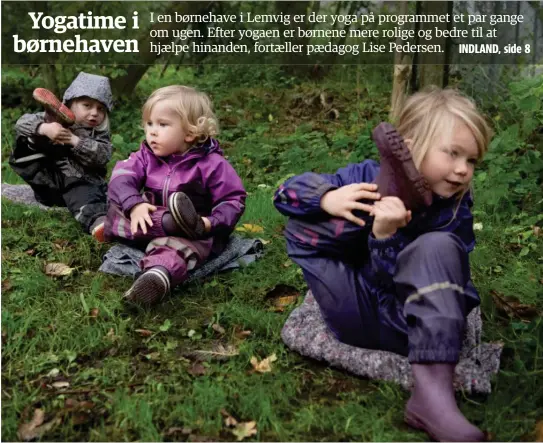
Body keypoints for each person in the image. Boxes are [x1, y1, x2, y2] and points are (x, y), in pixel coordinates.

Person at [273, 88, 492, 442]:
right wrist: (328, 197)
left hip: (409, 324)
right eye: (453, 153)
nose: (462, 170)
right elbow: (283, 193)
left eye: (472, 161)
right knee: (309, 219)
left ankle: (432, 398)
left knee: (437, 247)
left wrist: (386, 238)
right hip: (355, 309)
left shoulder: (454, 211)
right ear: (409, 144)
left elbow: (399, 288)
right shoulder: (366, 176)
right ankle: (361, 204)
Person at [103, 85, 246, 306]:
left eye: (162, 124)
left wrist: (209, 223)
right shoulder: (145, 156)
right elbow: (122, 176)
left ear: (189, 133)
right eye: (149, 123)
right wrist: (135, 204)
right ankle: (163, 224)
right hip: (149, 219)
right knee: (117, 198)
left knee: (177, 250)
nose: (152, 131)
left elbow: (232, 200)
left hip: (191, 232)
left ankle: (156, 277)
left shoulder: (212, 165)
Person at [9, 72, 113, 236]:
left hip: (80, 181)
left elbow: (103, 155)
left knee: (85, 195)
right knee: (30, 137)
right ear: (71, 104)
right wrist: (45, 128)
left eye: (100, 109)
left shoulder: (98, 136)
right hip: (48, 180)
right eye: (87, 105)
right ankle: (37, 141)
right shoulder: (52, 121)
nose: (94, 112)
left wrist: (75, 141)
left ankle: (98, 221)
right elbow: (22, 123)